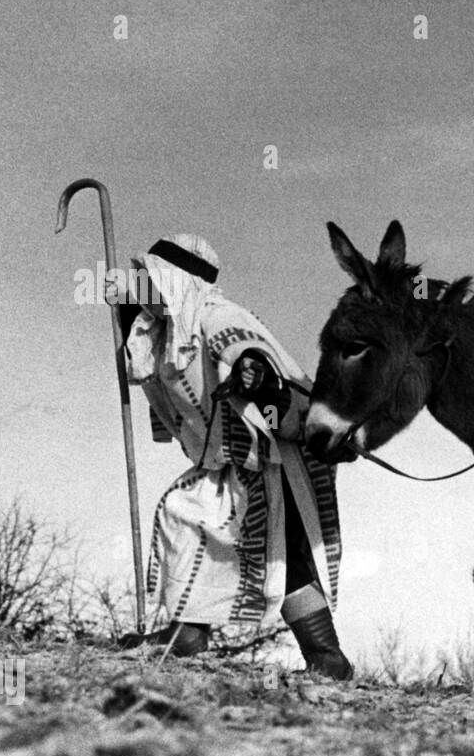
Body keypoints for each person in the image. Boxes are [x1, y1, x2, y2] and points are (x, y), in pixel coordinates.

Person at [115, 234, 351, 679]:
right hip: (224, 463)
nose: (143, 287)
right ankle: (187, 633)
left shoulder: (216, 314)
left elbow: (248, 350)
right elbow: (167, 399)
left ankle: (327, 657)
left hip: (270, 459)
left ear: (175, 280)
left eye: (150, 278)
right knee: (184, 517)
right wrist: (127, 320)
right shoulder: (161, 334)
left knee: (284, 558)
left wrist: (253, 370)